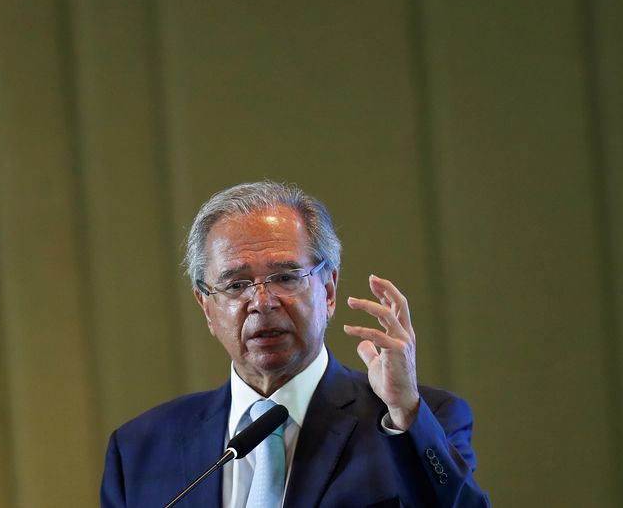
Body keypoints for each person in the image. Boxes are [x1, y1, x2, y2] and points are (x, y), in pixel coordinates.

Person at [101, 181, 489, 507]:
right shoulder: (139, 450)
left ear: (330, 290)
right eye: (236, 285)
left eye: (286, 277)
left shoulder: (419, 420)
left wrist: (406, 415)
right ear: (206, 307)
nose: (263, 302)